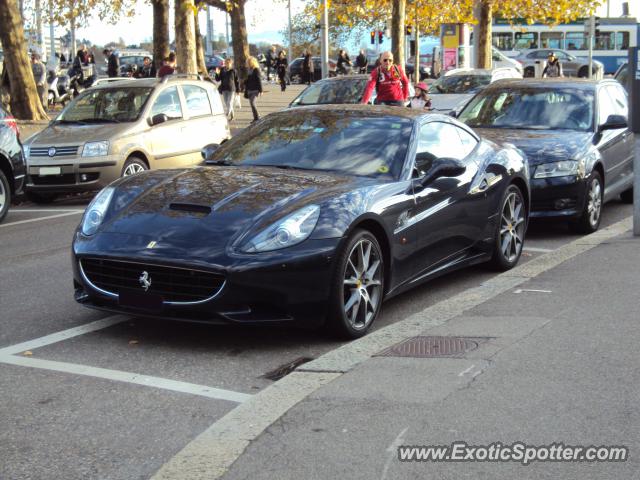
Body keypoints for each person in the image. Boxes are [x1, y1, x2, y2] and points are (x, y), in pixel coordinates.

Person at [244, 56, 263, 122]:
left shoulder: (256, 69)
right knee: (251, 104)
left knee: (253, 103)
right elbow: (249, 80)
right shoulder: (249, 70)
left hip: (255, 89)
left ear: (252, 62)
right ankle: (255, 117)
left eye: (249, 62)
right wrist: (245, 81)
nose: (247, 64)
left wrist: (261, 90)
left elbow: (259, 80)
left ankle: (257, 117)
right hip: (249, 89)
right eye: (247, 62)